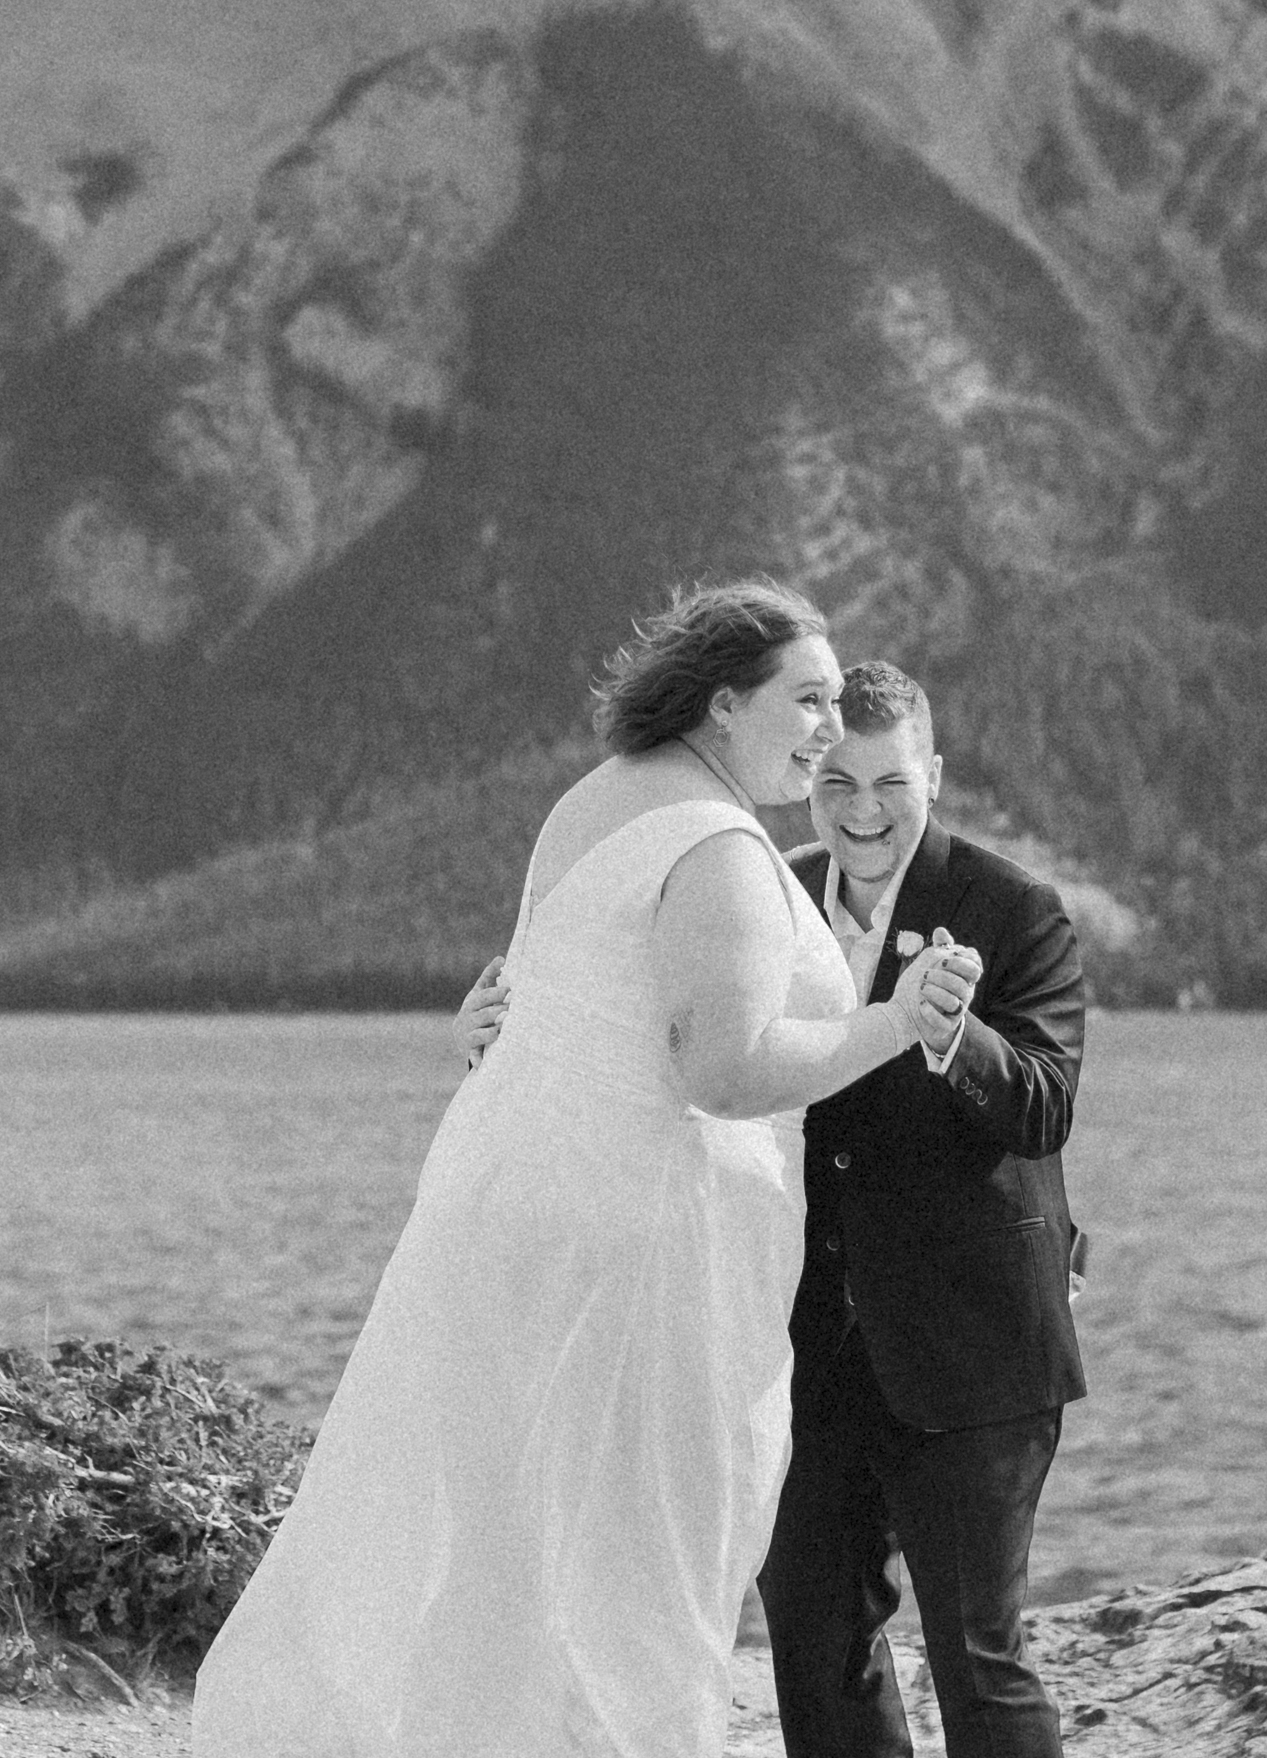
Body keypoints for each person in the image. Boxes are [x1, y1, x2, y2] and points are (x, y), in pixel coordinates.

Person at [192, 583, 966, 1758]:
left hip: (507, 1209)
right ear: (724, 702)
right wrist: (900, 1018)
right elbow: (725, 1068)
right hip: (636, 1250)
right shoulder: (715, 842)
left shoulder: (591, 802)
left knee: (507, 1543)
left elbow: (541, 1000)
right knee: (635, 1563)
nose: (826, 728)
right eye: (807, 701)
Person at [758, 659, 1086, 1758]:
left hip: (976, 1347)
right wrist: (509, 1041)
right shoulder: (769, 897)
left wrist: (952, 1034)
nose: (861, 811)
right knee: (814, 1648)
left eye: (888, 783)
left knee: (977, 1664)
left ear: (933, 776)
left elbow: (1043, 1107)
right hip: (807, 1352)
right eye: (836, 782)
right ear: (807, 777)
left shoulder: (1017, 908)